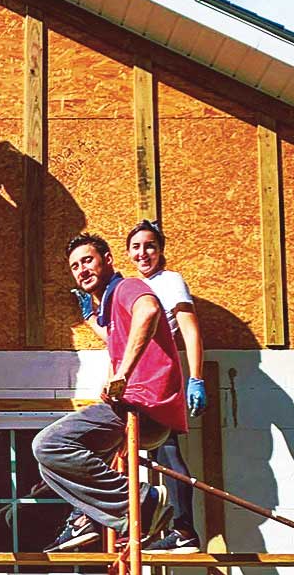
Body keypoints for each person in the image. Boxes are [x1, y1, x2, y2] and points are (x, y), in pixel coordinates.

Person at [36, 233, 187, 550]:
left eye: (87, 260)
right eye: (75, 266)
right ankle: (89, 518)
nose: (81, 270)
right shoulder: (110, 308)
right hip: (141, 410)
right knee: (50, 466)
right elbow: (115, 342)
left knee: (48, 444)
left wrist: (123, 374)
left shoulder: (126, 287)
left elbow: (148, 312)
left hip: (144, 403)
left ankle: (143, 501)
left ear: (108, 259)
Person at [71, 219, 207, 551]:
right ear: (127, 253)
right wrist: (90, 315)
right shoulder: (121, 291)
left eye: (150, 246)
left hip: (154, 379)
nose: (143, 252)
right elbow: (114, 338)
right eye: (136, 247)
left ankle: (183, 530)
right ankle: (130, 524)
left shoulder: (167, 282)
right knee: (128, 452)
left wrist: (196, 376)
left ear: (161, 251)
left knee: (167, 453)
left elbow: (187, 328)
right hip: (135, 381)